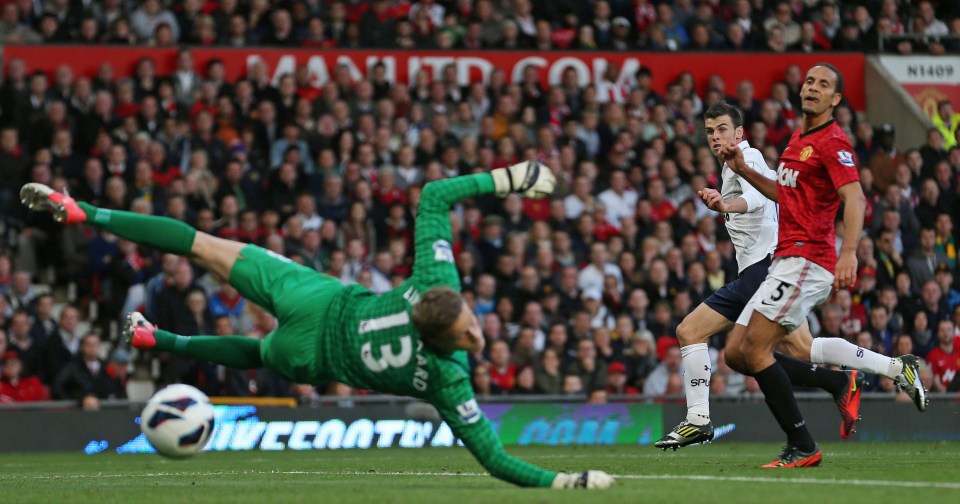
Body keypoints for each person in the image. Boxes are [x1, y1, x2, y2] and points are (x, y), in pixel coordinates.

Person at [20, 163, 615, 489]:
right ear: (449, 330)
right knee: (256, 353)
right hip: (313, 355)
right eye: (471, 328)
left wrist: (514, 177)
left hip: (318, 300)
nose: (478, 330)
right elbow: (495, 459)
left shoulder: (436, 280)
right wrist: (566, 483)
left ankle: (87, 212)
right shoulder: (447, 378)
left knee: (204, 246)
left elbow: (435, 194)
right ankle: (159, 337)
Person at [655, 101, 927, 451]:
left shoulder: (747, 159)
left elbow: (753, 198)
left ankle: (699, 421)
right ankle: (888, 369)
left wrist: (724, 204)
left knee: (691, 331)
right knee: (802, 347)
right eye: (710, 131)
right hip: (773, 267)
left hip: (763, 268)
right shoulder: (732, 167)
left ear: (739, 133)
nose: (715, 137)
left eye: (722, 129)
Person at [713, 63, 899, 468]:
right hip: (785, 259)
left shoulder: (833, 142)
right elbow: (783, 193)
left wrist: (848, 251)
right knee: (737, 353)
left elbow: (855, 199)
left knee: (755, 348)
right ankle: (838, 381)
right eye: (810, 81)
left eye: (824, 84)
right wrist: (743, 170)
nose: (813, 87)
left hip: (808, 257)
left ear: (835, 99)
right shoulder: (798, 140)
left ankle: (803, 445)